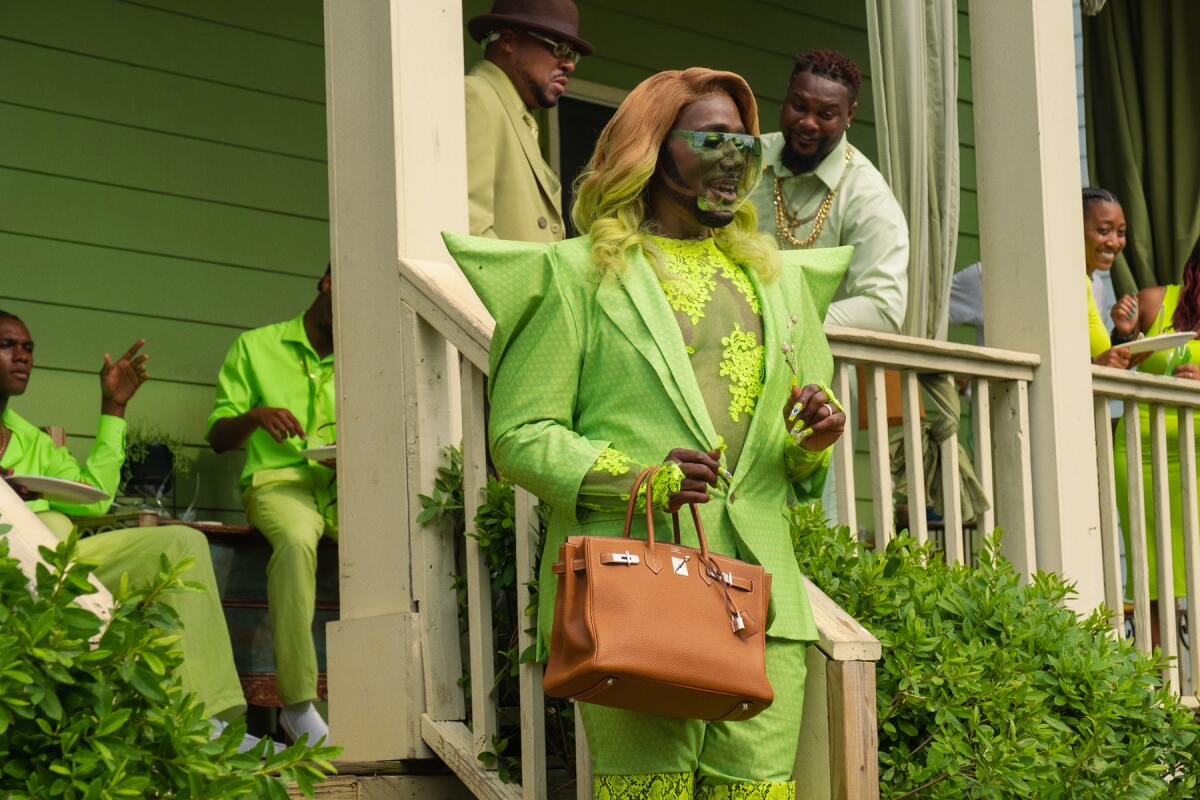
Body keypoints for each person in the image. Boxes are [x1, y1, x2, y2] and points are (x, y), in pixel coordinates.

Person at [443, 68, 850, 798]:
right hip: (638, 590)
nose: (734, 161)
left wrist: (810, 443)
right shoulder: (575, 276)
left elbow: (792, 467)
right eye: (712, 140)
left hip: (767, 598)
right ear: (652, 149)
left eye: (745, 147)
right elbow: (520, 434)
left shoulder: (781, 285)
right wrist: (638, 476)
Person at [0, 311, 261, 749]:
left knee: (180, 542)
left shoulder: (32, 441)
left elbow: (96, 497)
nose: (22, 356)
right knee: (39, 518)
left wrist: (114, 406)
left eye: (28, 348)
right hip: (12, 569)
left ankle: (205, 724)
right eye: (8, 345)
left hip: (62, 562)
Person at [207, 266, 336, 745]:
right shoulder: (255, 346)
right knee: (299, 539)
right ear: (326, 283)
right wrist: (255, 416)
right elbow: (219, 437)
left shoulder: (363, 355)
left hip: (345, 488)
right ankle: (298, 705)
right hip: (277, 482)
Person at [750, 48, 908, 333]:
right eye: (799, 106)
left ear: (850, 114)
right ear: (786, 97)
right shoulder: (747, 160)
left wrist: (787, 321)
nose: (808, 122)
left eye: (826, 114)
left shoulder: (868, 196)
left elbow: (884, 308)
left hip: (823, 365)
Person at [1114, 233, 1200, 610]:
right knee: (1152, 574)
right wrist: (1124, 332)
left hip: (1196, 450)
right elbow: (1122, 358)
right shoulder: (1155, 300)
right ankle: (1156, 669)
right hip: (1139, 451)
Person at [464, 0, 592, 242]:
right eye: (559, 48)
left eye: (572, 54)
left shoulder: (516, 114)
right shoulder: (476, 97)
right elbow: (471, 233)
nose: (569, 64)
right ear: (508, 41)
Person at [1082, 188, 1134, 369]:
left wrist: (1122, 333)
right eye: (1104, 231)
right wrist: (1094, 363)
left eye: (1120, 232)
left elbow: (1099, 354)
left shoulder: (1097, 287)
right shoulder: (1058, 283)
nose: (1114, 242)